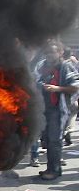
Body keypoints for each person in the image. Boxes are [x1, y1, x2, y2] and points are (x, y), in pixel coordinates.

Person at [34, 42, 79, 181]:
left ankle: (55, 170)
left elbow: (75, 86)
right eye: (47, 53)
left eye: (52, 52)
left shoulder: (66, 66)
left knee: (55, 140)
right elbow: (35, 80)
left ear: (59, 53)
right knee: (47, 139)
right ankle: (50, 167)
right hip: (43, 109)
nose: (49, 55)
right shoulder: (42, 66)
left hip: (58, 109)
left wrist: (57, 89)